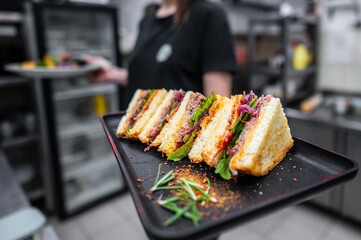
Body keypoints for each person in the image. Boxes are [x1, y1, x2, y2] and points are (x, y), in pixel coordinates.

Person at [87, 0, 237, 103]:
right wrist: (111, 73)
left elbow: (218, 104)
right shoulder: (147, 20)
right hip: (136, 137)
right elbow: (151, 76)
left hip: (177, 143)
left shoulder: (209, 16)